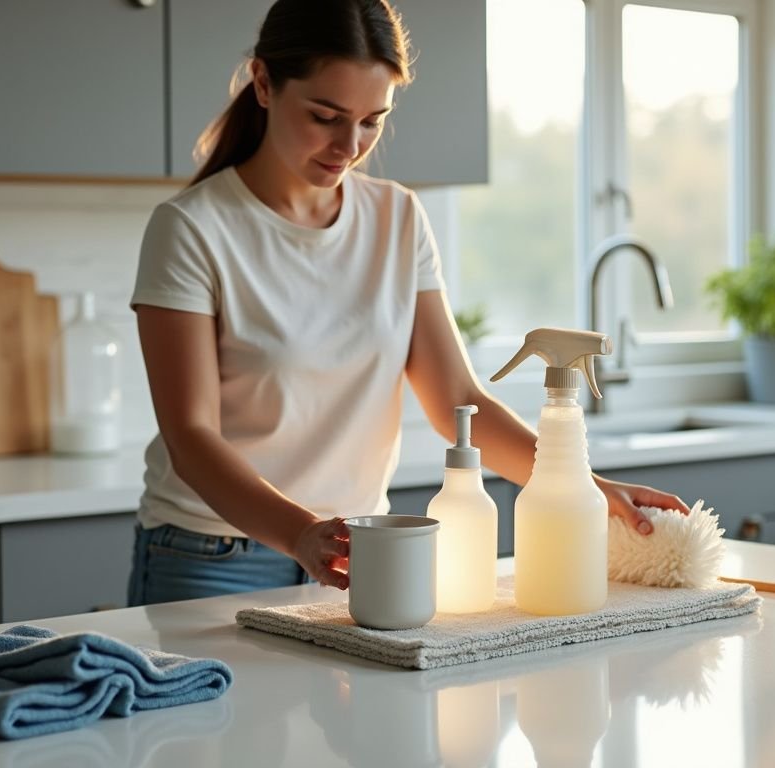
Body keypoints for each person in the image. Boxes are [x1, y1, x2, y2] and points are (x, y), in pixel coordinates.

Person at [127, 0, 688, 606]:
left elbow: (459, 401)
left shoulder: (397, 217)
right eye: (326, 116)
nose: (350, 144)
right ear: (263, 84)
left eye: (372, 120)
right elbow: (190, 437)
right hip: (213, 555)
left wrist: (580, 483)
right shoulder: (191, 228)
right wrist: (299, 533)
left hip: (354, 547)